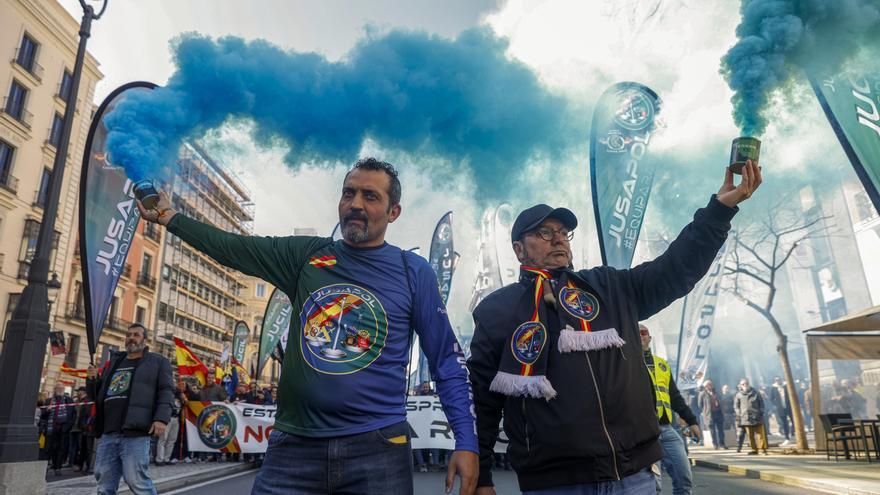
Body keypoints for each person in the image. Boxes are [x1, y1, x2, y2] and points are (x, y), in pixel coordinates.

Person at [137, 157, 479, 495]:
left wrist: (466, 441)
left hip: (378, 449)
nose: (355, 204)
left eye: (370, 196)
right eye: (349, 193)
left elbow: (445, 361)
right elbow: (233, 248)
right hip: (294, 448)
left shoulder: (412, 271)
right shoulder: (307, 257)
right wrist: (170, 218)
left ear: (393, 212)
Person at [469, 161, 762, 494]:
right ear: (519, 249)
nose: (558, 240)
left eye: (563, 233)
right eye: (544, 233)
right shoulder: (496, 311)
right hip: (554, 483)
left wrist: (719, 211)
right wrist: (482, 478)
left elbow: (675, 268)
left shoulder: (608, 286)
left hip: (635, 476)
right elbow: (483, 402)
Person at [86, 323, 174, 495]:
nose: (131, 338)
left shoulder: (158, 362)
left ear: (145, 340)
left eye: (136, 335)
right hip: (109, 431)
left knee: (136, 481)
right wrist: (92, 380)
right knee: (103, 482)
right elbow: (97, 395)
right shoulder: (115, 362)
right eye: (128, 335)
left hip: (136, 432)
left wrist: (161, 418)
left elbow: (167, 392)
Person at [640, 325, 701, 495]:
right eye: (635, 333)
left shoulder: (662, 364)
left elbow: (675, 397)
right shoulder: (625, 362)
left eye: (643, 333)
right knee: (653, 485)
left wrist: (692, 421)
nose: (640, 336)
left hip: (667, 429)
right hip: (644, 433)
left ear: (649, 338)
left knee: (684, 478)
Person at [43, 383, 74, 476]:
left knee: (61, 449)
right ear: (55, 389)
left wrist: (68, 426)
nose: (60, 389)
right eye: (58, 388)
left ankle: (58, 467)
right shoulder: (49, 401)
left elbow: (73, 414)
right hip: (51, 427)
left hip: (63, 428)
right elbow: (43, 416)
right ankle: (45, 467)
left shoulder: (69, 400)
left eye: (62, 388)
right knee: (48, 448)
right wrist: (47, 410)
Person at [734, 378, 767, 455]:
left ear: (749, 384)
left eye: (746, 383)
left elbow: (761, 403)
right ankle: (754, 449)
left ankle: (762, 449)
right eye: (743, 384)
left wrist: (761, 411)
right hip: (746, 417)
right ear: (740, 385)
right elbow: (736, 406)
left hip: (757, 416)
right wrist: (739, 413)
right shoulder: (738, 395)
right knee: (750, 435)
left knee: (760, 435)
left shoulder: (756, 393)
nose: (745, 385)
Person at [155, 382, 183, 466]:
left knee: (172, 439)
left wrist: (183, 397)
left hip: (176, 418)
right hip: (168, 418)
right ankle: (159, 459)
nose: (177, 385)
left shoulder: (180, 395)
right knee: (163, 439)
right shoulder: (167, 393)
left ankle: (167, 458)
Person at [698, 380, 727, 449]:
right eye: (708, 385)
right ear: (705, 386)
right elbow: (700, 404)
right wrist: (705, 411)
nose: (710, 386)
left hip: (718, 413)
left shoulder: (716, 392)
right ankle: (715, 444)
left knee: (721, 430)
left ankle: (722, 444)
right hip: (709, 414)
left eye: (710, 384)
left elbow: (721, 401)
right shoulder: (702, 394)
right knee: (712, 430)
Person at [769, 377, 792, 444]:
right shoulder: (773, 388)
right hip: (781, 409)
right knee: (784, 423)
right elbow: (771, 399)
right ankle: (787, 438)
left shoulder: (786, 386)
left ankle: (794, 434)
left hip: (789, 407)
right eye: (776, 380)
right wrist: (776, 405)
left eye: (779, 380)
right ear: (775, 381)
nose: (778, 381)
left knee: (793, 421)